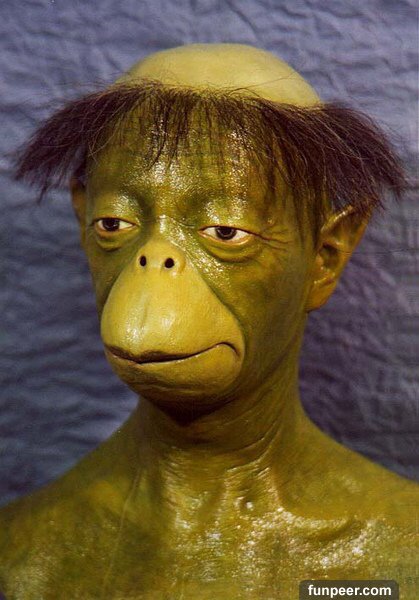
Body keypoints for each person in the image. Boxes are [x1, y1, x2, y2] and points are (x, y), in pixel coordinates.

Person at [0, 43, 417, 599]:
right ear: (84, 222)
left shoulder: (397, 550)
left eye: (225, 231)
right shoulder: (26, 554)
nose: (155, 260)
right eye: (114, 223)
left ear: (325, 256)